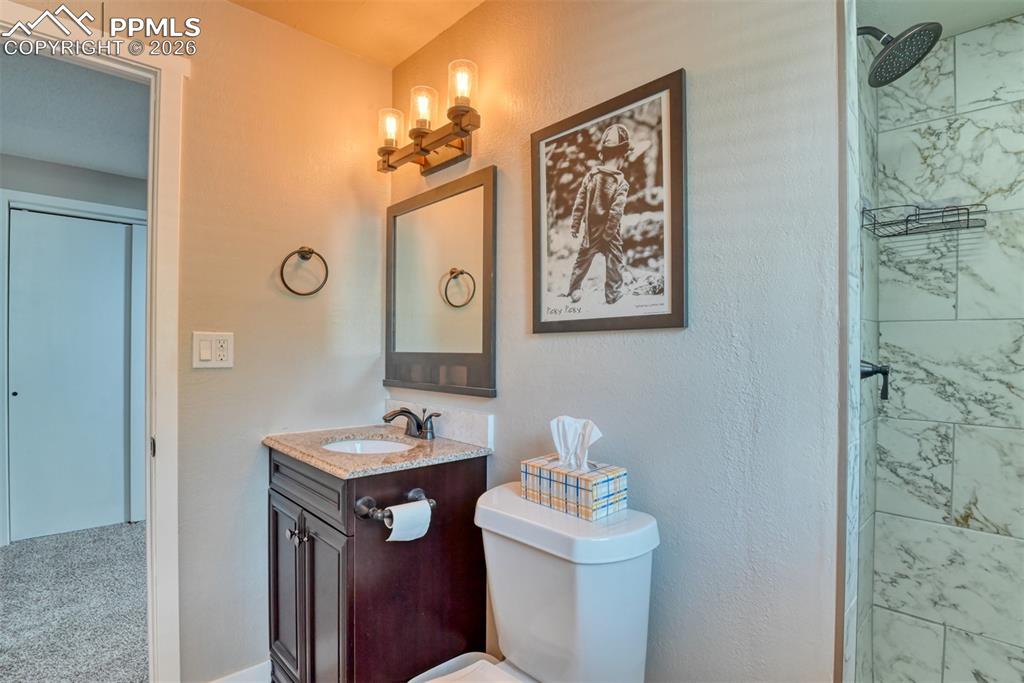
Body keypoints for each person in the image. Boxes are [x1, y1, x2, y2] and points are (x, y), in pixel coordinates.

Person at [566, 123, 631, 305]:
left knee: (582, 260)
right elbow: (616, 211)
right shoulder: (622, 183)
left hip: (591, 229)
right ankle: (613, 294)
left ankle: (574, 290)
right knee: (615, 262)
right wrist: (609, 234)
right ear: (622, 156)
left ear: (602, 154)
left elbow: (579, 201)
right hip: (610, 231)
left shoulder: (591, 176)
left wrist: (575, 224)